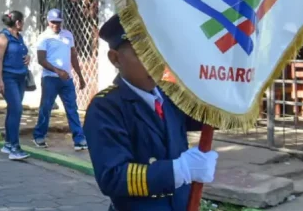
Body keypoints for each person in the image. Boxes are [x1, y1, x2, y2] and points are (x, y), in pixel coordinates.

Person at [84, 14, 219, 210]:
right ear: (115, 58)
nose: (155, 63)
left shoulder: (170, 95)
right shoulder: (106, 107)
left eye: (158, 52)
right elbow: (112, 176)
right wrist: (178, 171)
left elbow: (212, 117)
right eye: (142, 53)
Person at [32, 9, 88, 150]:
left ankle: (79, 139)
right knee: (46, 108)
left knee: (72, 109)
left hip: (66, 79)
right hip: (50, 79)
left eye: (58, 22)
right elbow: (41, 59)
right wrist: (57, 71)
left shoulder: (68, 35)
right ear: (48, 21)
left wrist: (80, 76)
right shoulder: (43, 37)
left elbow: (73, 56)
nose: (55, 25)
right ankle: (39, 136)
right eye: (53, 22)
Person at [0, 10, 31, 161]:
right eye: (22, 21)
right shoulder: (2, 37)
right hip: (8, 78)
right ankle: (15, 148)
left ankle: (8, 143)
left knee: (13, 109)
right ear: (17, 23)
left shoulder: (19, 37)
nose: (23, 24)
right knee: (17, 109)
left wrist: (28, 57)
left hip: (20, 77)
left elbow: (21, 52)